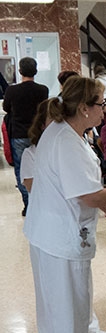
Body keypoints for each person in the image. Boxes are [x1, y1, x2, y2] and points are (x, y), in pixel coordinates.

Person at [23, 76, 106, 333]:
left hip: (51, 232)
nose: (104, 110)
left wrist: (103, 203)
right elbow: (86, 194)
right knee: (71, 307)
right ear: (84, 108)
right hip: (61, 237)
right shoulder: (67, 141)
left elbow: (77, 189)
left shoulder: (63, 132)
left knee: (63, 305)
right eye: (100, 104)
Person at [2, 56, 49, 215]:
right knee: (41, 167)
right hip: (38, 133)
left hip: (19, 133)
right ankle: (42, 201)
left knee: (22, 170)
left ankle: (29, 204)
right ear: (35, 70)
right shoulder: (43, 90)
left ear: (20, 71)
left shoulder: (12, 90)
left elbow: (6, 107)